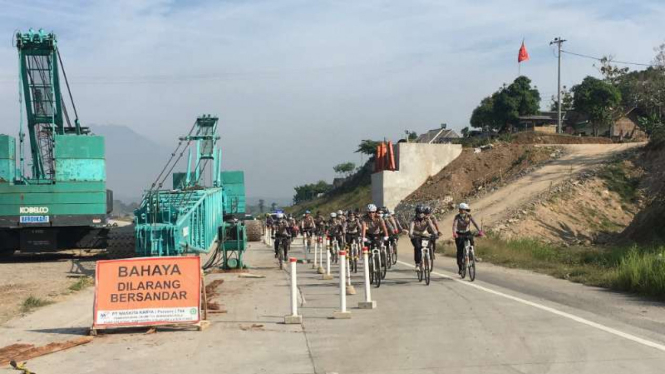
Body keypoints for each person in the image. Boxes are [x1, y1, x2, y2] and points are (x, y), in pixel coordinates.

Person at [452, 203, 484, 275]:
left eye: (465, 210)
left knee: (471, 243)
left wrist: (480, 231)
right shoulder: (457, 217)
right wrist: (454, 233)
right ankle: (460, 268)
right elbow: (454, 225)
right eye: (461, 210)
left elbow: (475, 223)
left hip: (467, 232)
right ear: (460, 210)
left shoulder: (469, 216)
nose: (463, 211)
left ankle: (472, 255)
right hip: (459, 234)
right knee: (459, 251)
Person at [409, 205, 437, 270]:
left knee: (428, 246)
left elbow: (432, 227)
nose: (420, 214)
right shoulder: (413, 220)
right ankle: (417, 264)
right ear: (416, 213)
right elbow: (411, 228)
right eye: (419, 213)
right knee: (418, 247)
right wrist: (410, 234)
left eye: (422, 213)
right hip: (415, 236)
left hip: (425, 235)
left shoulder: (427, 219)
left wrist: (435, 233)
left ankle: (429, 257)